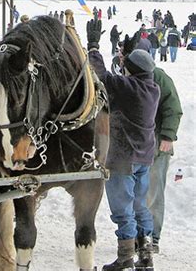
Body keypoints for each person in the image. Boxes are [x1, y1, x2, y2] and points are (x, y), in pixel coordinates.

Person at [86, 20, 159, 271]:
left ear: (132, 71)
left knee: (123, 210)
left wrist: (94, 47)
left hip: (123, 159)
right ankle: (146, 255)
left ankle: (125, 258)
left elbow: (101, 76)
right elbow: (129, 75)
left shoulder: (128, 88)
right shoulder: (152, 88)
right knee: (140, 206)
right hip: (144, 158)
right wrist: (127, 56)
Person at [147, 66, 182, 254]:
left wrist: (167, 136)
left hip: (158, 146)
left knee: (153, 191)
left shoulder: (157, 75)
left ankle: (152, 238)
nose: (120, 55)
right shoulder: (125, 72)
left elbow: (173, 107)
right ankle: (135, 235)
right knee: (137, 194)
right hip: (136, 147)